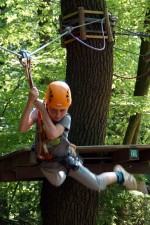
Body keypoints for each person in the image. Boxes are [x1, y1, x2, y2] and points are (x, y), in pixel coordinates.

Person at [19, 81, 137, 191]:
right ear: (47, 104)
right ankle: (67, 150)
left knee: (98, 184)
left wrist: (44, 111)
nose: (58, 114)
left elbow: (52, 134)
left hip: (66, 161)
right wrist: (30, 102)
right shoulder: (39, 112)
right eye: (53, 110)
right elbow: (23, 128)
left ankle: (120, 175)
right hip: (48, 162)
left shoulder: (66, 118)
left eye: (62, 110)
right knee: (57, 181)